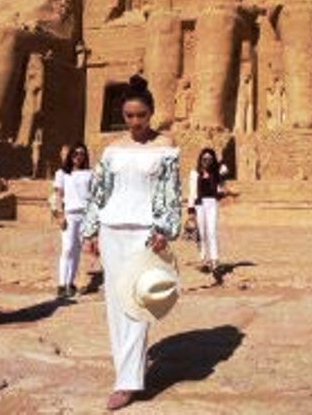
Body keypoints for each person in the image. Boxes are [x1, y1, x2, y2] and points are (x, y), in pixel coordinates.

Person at [81, 74, 180, 411]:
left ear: (151, 113)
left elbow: (170, 192)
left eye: (141, 115)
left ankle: (127, 382)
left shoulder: (165, 146)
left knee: (138, 302)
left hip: (144, 232)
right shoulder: (112, 149)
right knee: (115, 303)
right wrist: (90, 232)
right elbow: (99, 192)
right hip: (112, 229)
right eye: (129, 116)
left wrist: (164, 229)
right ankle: (125, 373)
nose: (135, 122)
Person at [52, 142, 93, 299]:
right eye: (75, 153)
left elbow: (93, 196)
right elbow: (58, 196)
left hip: (85, 215)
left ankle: (70, 283)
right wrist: (59, 215)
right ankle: (62, 284)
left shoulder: (89, 173)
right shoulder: (62, 173)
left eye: (81, 153)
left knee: (76, 250)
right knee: (67, 248)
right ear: (71, 155)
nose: (78, 156)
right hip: (69, 214)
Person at [188, 148, 225, 276]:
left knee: (212, 231)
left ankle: (214, 260)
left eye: (209, 159)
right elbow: (192, 192)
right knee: (202, 233)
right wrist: (191, 210)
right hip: (199, 205)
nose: (207, 161)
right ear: (200, 159)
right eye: (204, 159)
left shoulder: (216, 173)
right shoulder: (194, 173)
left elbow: (225, 170)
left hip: (212, 204)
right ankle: (203, 258)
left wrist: (219, 169)